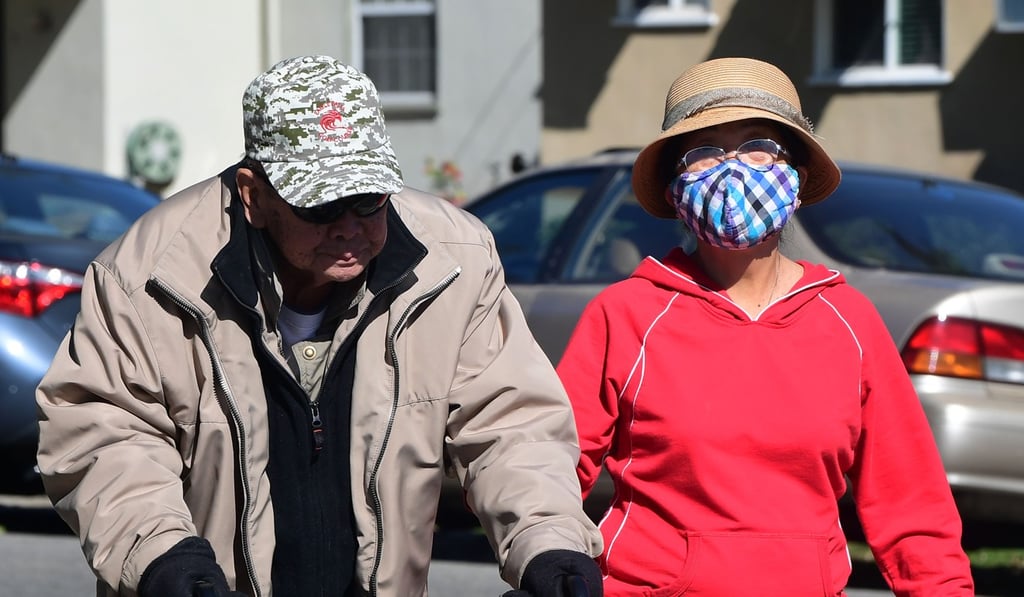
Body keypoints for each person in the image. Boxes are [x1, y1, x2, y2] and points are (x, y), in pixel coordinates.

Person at [35, 55, 603, 597]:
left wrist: (547, 543)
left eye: (369, 199)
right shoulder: (148, 274)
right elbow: (103, 431)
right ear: (253, 196)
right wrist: (163, 557)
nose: (350, 226)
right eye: (322, 206)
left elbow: (510, 424)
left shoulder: (456, 260)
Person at [555, 57, 975, 596]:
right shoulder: (627, 314)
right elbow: (553, 472)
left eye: (759, 146)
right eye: (704, 152)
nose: (733, 170)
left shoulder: (850, 323)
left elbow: (912, 506)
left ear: (795, 178)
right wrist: (551, 561)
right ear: (672, 191)